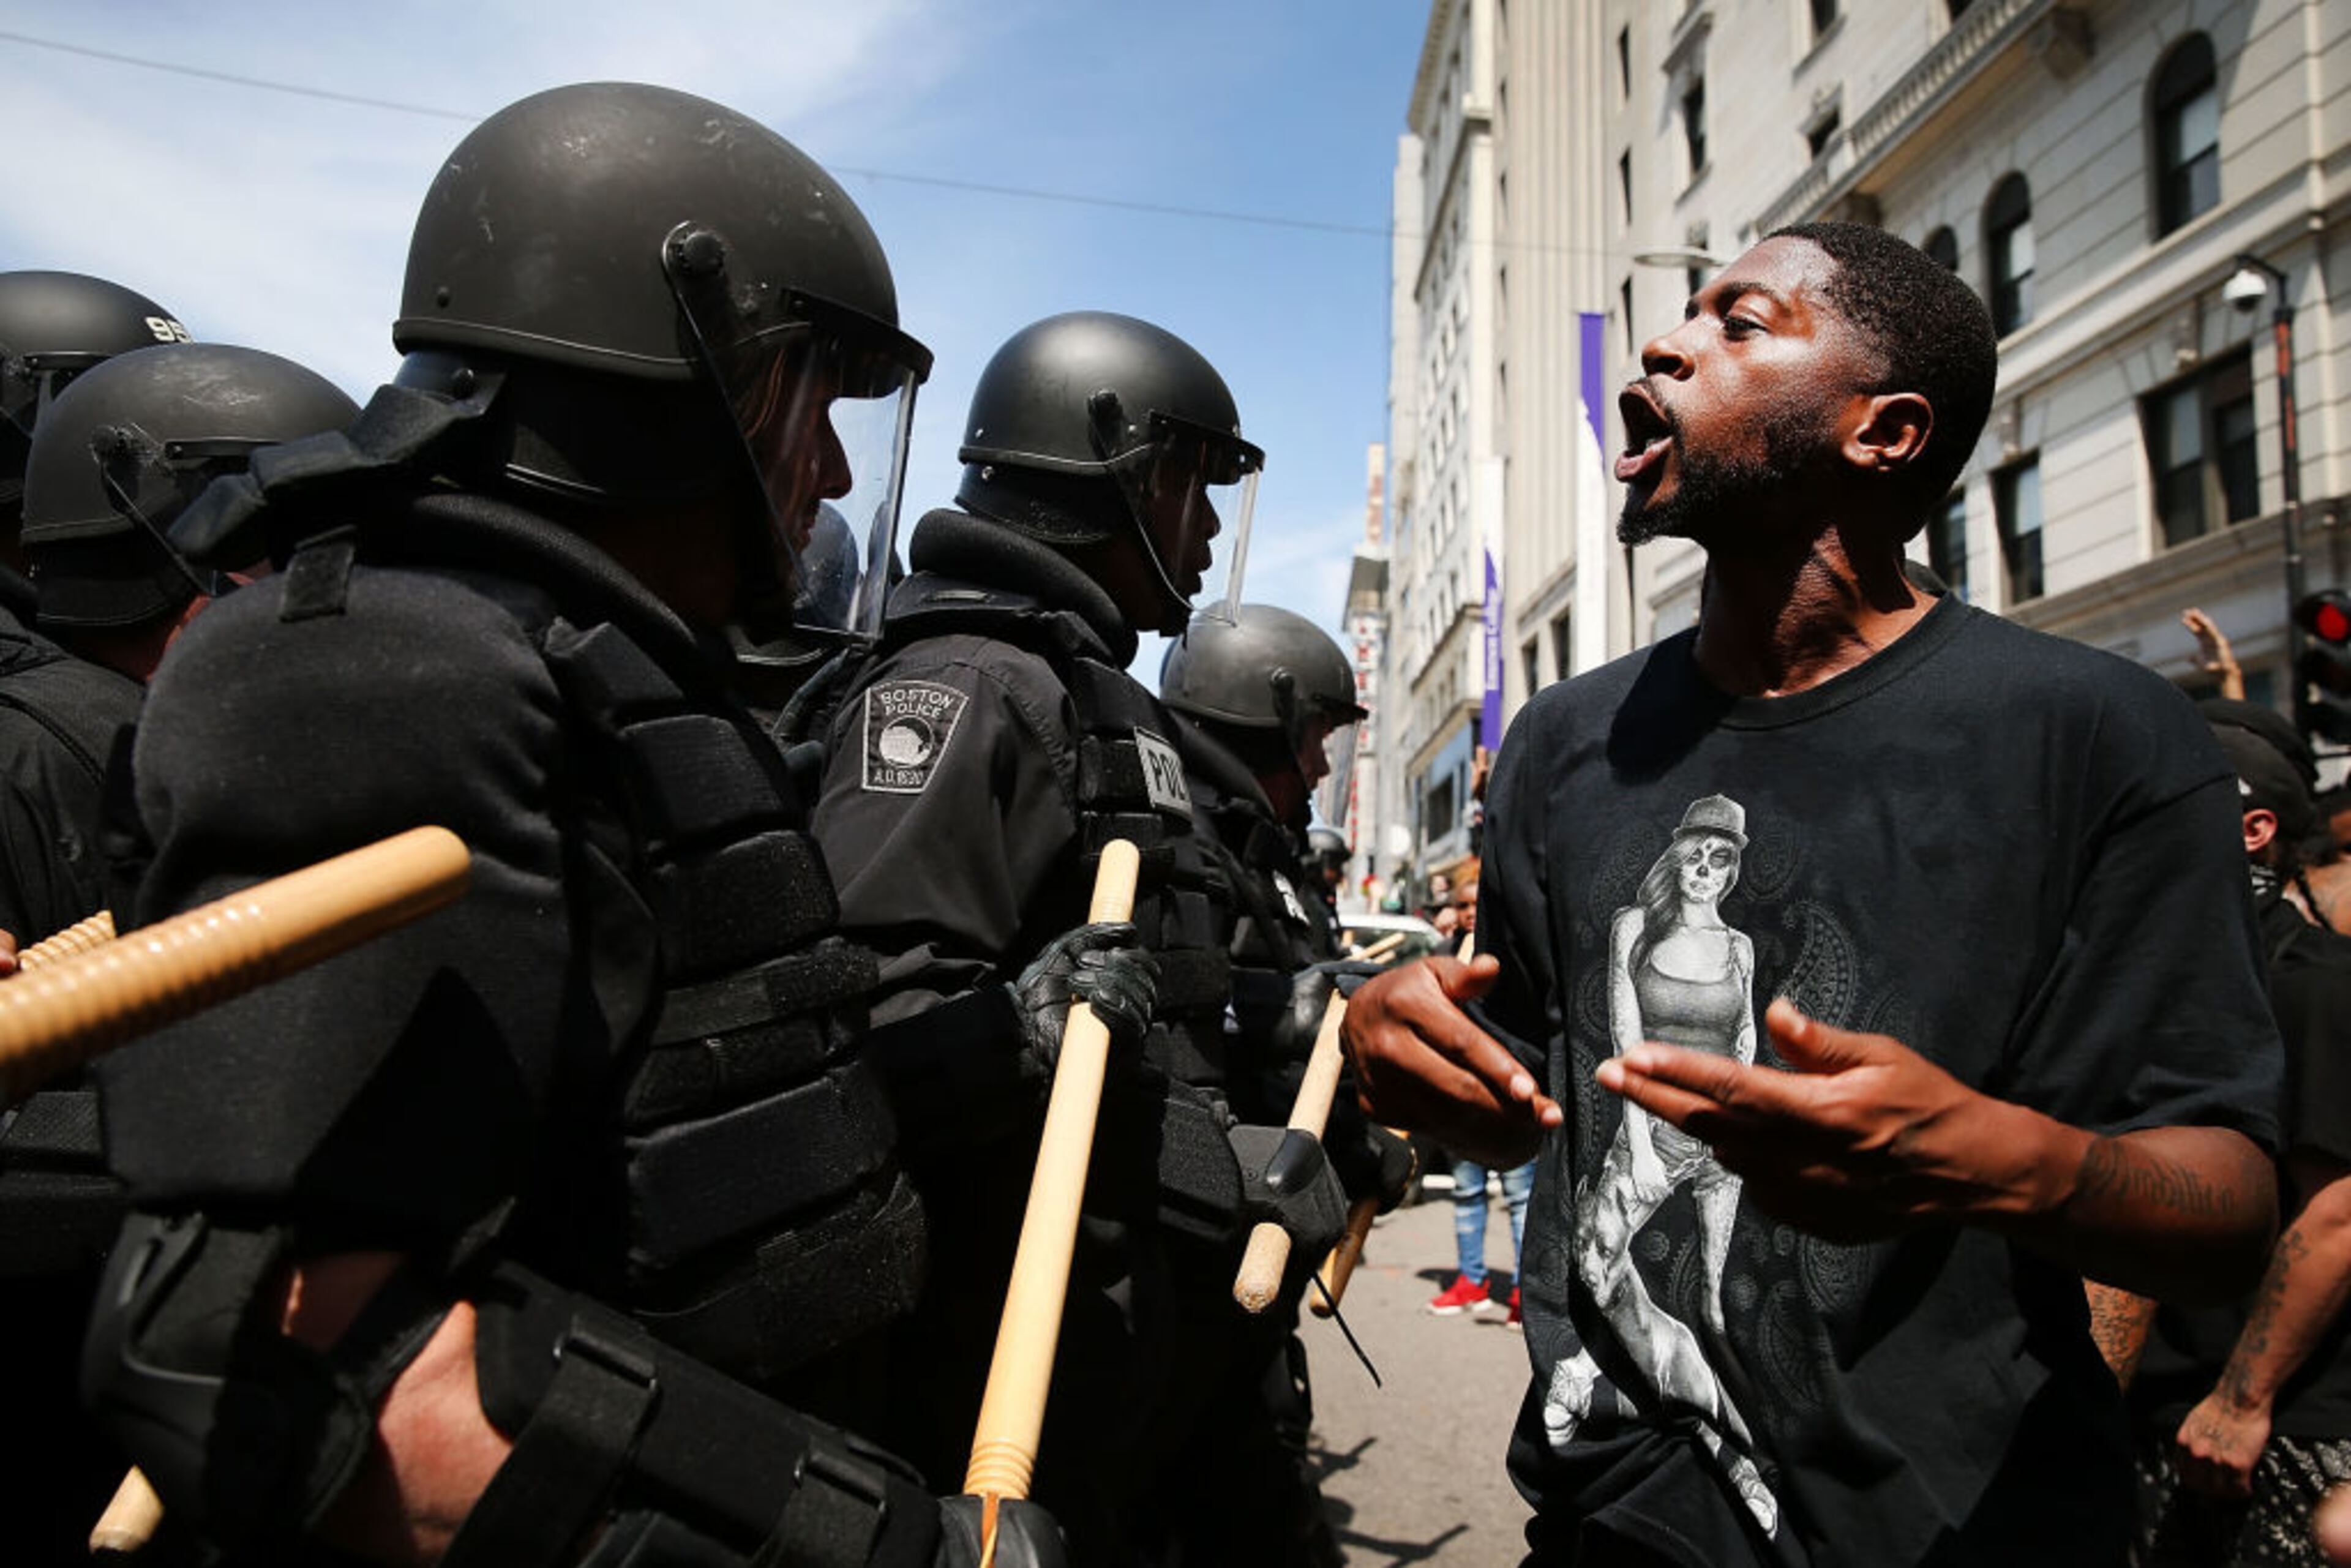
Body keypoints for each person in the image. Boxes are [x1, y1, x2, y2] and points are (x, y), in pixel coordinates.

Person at [82, 82, 1076, 1567]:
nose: (842, 470)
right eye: (810, 393)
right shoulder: (381, 667)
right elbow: (288, 1353)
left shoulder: (590, 668)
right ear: (684, 369)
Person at [1341, 221, 2281, 1567]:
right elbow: (1522, 1101)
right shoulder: (1562, 742)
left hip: (1962, 1531)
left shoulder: (2101, 738)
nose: (1667, 341)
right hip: (1614, 1518)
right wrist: (1391, 1041)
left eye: (1742, 323)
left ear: (1884, 434)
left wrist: (2003, 1165)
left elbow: (2231, 1201)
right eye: (1685, 315)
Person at [806, 312, 1341, 1564]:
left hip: (1108, 1323)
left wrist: (1236, 1161)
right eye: (1189, 486)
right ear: (1118, 468)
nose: (1208, 529)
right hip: (985, 1342)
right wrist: (1017, 1037)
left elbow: (1149, 1030)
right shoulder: (971, 685)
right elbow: (867, 1024)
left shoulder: (1086, 687)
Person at [1158, 601, 1405, 1567]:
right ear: (1267, 720)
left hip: (1253, 1288)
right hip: (1193, 1266)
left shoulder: (1275, 857)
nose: (1320, 766)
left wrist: (1361, 1145)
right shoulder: (1179, 841)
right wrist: (1278, 1005)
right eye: (1316, 738)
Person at [2117, 706, 2351, 1566]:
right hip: (2166, 1425)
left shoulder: (2318, 985)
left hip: (2277, 1440)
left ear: (2255, 830)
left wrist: (2242, 1399)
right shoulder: (2172, 988)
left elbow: (2340, 1216)